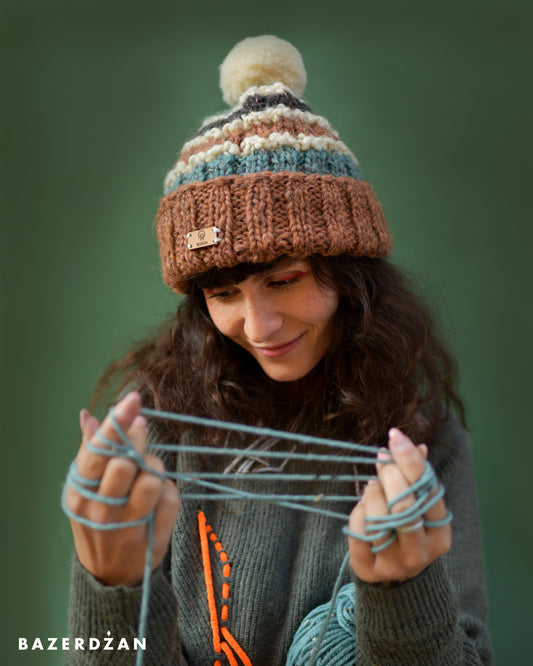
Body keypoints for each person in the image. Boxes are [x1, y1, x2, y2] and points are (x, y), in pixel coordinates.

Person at [64, 35, 493, 665]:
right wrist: (112, 589)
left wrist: (404, 598)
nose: (258, 325)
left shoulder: (428, 442)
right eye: (223, 292)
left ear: (350, 277)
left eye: (285, 280)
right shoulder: (154, 440)